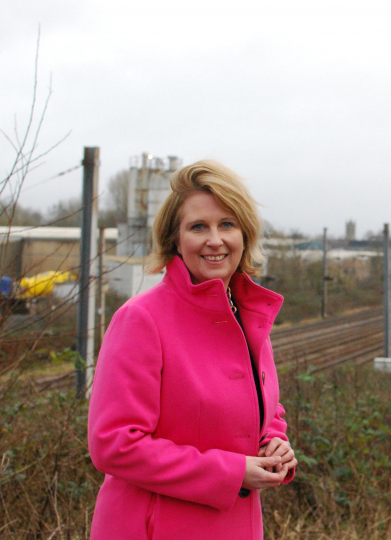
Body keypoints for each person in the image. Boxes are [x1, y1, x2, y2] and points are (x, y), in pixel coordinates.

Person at [88, 160, 296, 540]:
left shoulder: (248, 316)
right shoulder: (142, 319)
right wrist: (232, 472)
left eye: (227, 225)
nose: (214, 240)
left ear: (245, 235)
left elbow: (265, 408)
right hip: (155, 527)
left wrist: (276, 441)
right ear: (175, 240)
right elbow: (114, 444)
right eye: (198, 226)